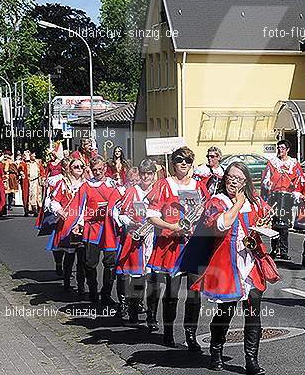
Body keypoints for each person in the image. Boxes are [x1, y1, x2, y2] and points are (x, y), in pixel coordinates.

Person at [189, 161, 274, 374]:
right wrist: (237, 203)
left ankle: (251, 361)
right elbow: (220, 225)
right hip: (227, 263)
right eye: (230, 177)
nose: (233, 182)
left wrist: (265, 224)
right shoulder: (217, 201)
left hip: (251, 263)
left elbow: (265, 220)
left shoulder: (254, 202)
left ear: (246, 181)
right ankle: (216, 351)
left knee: (253, 313)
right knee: (225, 312)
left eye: (238, 178)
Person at [145, 146, 209, 348]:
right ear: (173, 162)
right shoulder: (164, 185)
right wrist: (172, 226)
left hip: (193, 246)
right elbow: (151, 215)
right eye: (180, 159)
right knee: (171, 293)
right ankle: (169, 332)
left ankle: (191, 335)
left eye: (188, 160)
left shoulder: (199, 186)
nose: (184, 163)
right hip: (172, 245)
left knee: (194, 293)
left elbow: (208, 212)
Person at [63, 156, 119, 305]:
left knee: (110, 263)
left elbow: (120, 204)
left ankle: (106, 294)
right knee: (90, 263)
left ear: (105, 168)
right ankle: (93, 292)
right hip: (92, 228)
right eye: (94, 170)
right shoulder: (86, 186)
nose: (98, 172)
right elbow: (79, 206)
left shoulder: (113, 184)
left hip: (109, 229)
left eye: (100, 169)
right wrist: (77, 223)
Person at [113, 159, 157, 326]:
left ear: (154, 175)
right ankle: (133, 311)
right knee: (137, 278)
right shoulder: (132, 191)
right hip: (136, 238)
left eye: (149, 173)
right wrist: (131, 223)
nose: (146, 176)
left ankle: (151, 316)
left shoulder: (158, 190)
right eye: (143, 173)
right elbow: (122, 214)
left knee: (153, 278)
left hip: (154, 237)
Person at [47, 157, 87, 293]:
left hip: (83, 224)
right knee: (69, 256)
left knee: (82, 257)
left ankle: (81, 285)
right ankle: (66, 282)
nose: (79, 169)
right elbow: (54, 201)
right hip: (67, 224)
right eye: (76, 167)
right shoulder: (63, 183)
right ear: (70, 168)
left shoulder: (87, 184)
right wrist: (58, 210)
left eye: (81, 167)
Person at [261, 140, 304, 261]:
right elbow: (265, 178)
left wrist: (296, 190)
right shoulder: (272, 163)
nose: (281, 150)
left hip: (287, 196)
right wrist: (268, 183)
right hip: (274, 196)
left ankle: (284, 251)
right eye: (279, 148)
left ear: (288, 150)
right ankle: (274, 249)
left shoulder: (293, 163)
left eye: (283, 148)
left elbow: (299, 178)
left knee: (284, 224)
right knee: (274, 224)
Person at [26, 152, 45, 216]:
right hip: (29, 181)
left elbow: (42, 171)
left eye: (35, 154)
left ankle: (36, 209)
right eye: (33, 155)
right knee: (29, 195)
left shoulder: (38, 162)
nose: (35, 155)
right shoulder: (26, 163)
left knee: (36, 195)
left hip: (36, 181)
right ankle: (29, 209)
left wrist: (43, 177)